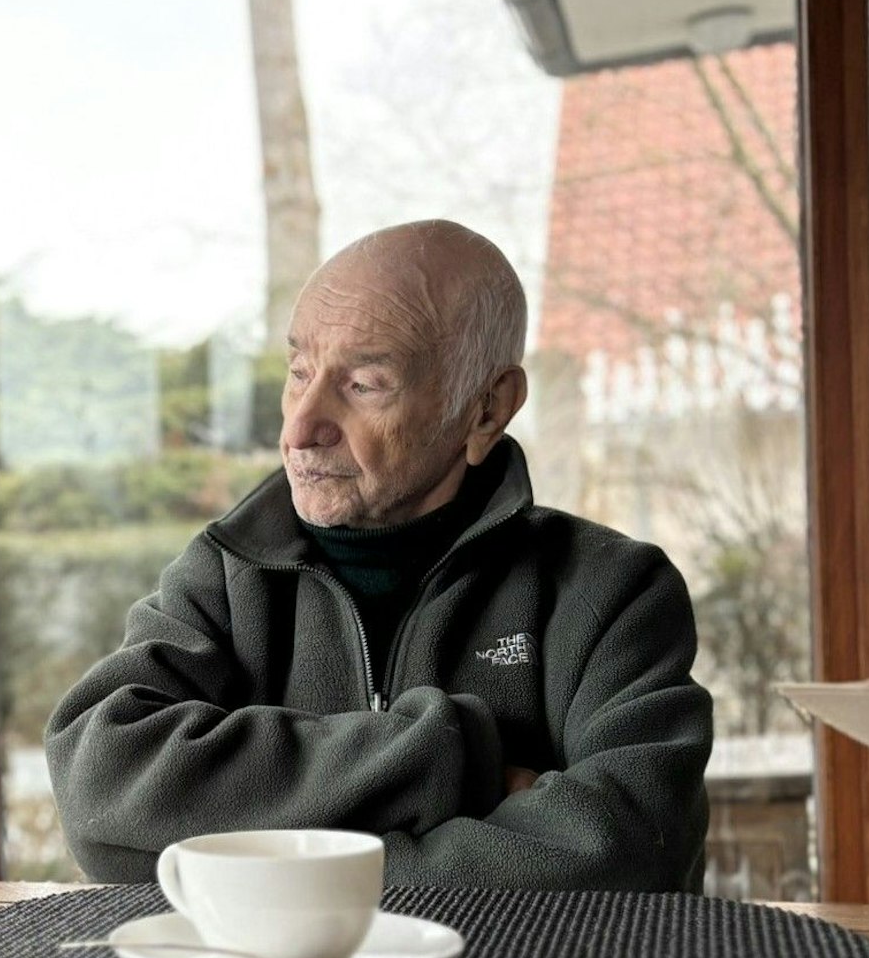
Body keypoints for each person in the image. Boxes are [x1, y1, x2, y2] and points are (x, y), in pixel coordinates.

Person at [44, 219, 714, 891]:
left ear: (486, 409)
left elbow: (625, 853)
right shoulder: (224, 575)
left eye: (363, 384)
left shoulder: (613, 591)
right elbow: (100, 785)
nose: (301, 428)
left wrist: (274, 870)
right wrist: (452, 757)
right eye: (299, 372)